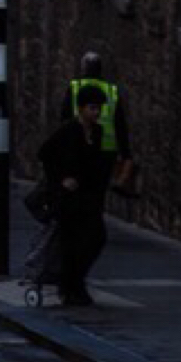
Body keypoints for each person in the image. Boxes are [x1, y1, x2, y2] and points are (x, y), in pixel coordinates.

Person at [36, 82, 115, 305]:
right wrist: (62, 178)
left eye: (98, 108)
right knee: (72, 242)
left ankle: (75, 281)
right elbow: (45, 153)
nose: (96, 112)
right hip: (70, 198)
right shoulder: (68, 131)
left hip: (90, 196)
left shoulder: (98, 132)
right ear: (81, 108)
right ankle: (71, 287)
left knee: (96, 238)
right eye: (92, 107)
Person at [56, 50, 134, 177]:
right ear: (100, 69)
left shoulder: (75, 87)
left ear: (84, 68)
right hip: (106, 151)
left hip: (80, 147)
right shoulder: (111, 90)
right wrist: (126, 153)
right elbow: (120, 124)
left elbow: (65, 118)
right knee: (98, 191)